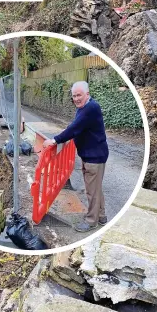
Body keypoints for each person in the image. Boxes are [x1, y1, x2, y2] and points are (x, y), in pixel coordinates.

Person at [43, 81, 109, 232]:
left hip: (94, 157)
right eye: (74, 96)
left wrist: (55, 140)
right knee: (96, 187)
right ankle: (101, 216)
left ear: (87, 93)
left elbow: (74, 128)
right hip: (92, 155)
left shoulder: (90, 108)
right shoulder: (85, 107)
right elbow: (76, 126)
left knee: (92, 190)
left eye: (79, 95)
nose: (76, 99)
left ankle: (91, 221)